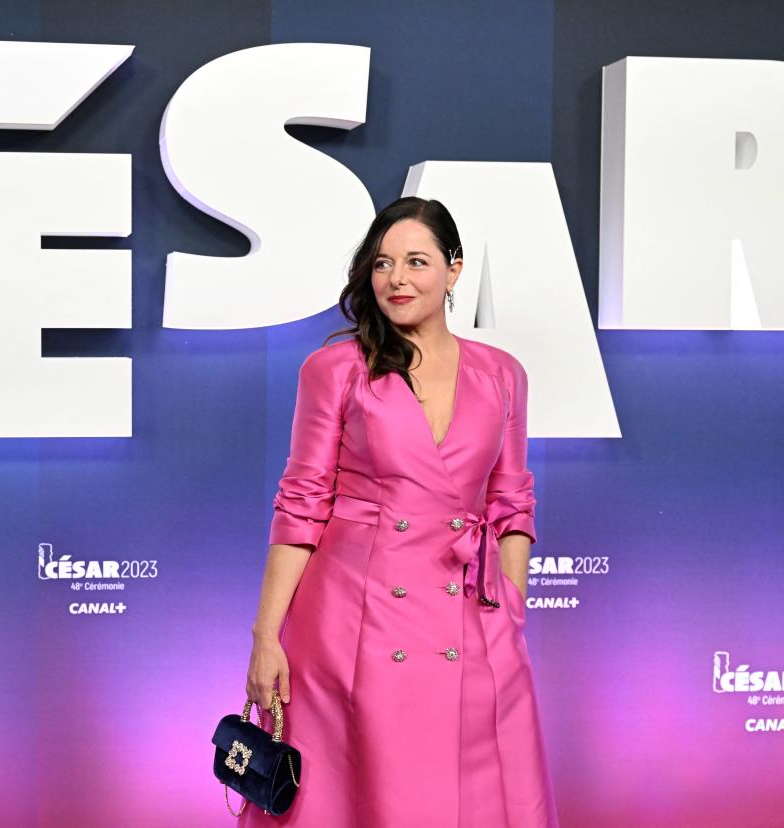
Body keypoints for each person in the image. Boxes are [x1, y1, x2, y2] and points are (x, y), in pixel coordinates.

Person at [239, 197, 559, 826]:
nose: (398, 279)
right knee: (370, 793)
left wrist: (511, 604)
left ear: (454, 270)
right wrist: (266, 635)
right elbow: (301, 506)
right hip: (356, 619)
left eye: (417, 261)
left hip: (474, 619)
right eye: (383, 264)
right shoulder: (333, 370)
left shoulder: (503, 375)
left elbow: (512, 501)